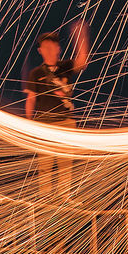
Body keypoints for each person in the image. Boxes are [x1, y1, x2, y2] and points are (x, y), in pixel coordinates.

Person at [24, 21, 88, 199]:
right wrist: (29, 122)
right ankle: (46, 199)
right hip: (44, 124)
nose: (49, 49)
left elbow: (82, 61)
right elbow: (31, 98)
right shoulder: (36, 73)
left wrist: (81, 39)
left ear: (58, 48)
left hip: (66, 122)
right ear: (40, 51)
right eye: (45, 46)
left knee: (65, 163)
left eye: (53, 45)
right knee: (45, 165)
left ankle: (64, 198)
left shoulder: (65, 67)